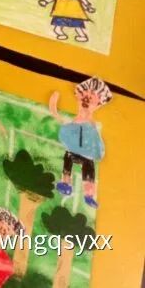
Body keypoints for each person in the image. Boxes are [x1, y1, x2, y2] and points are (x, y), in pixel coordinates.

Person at [49, 77, 111, 208]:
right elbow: (60, 119)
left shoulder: (91, 125)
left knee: (88, 165)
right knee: (68, 157)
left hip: (87, 153)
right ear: (78, 97)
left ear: (98, 104)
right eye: (84, 96)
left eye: (91, 98)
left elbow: (95, 140)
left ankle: (89, 195)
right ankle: (66, 184)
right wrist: (53, 106)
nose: (86, 99)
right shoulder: (75, 122)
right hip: (73, 149)